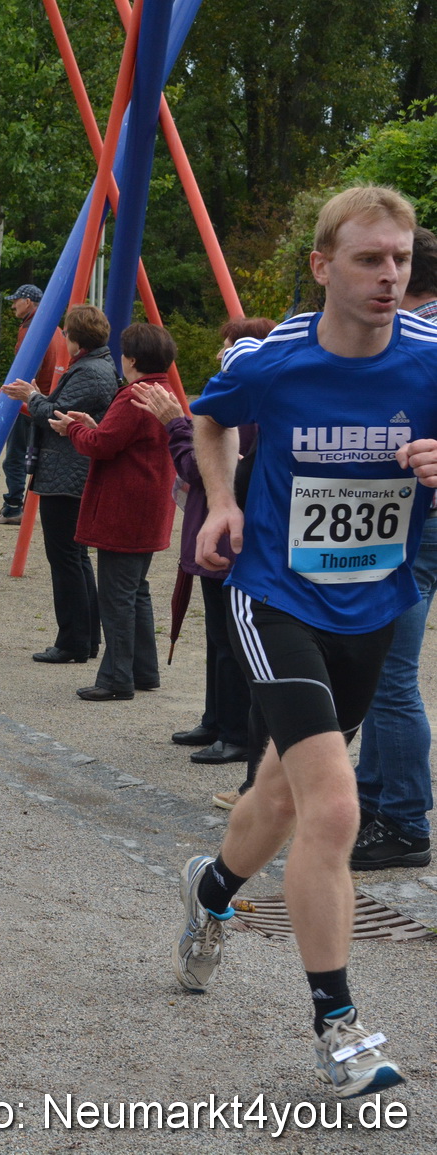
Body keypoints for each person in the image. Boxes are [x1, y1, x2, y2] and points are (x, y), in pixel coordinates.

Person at [177, 185, 437, 1097]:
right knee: (333, 807)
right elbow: (205, 418)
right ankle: (338, 1024)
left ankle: (211, 889)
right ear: (325, 266)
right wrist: (221, 502)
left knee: (282, 794)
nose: (390, 276)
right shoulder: (272, 360)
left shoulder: (432, 359)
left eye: (401, 259)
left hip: (376, 602)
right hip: (276, 595)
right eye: (370, 259)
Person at [134, 318, 276, 782]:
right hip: (213, 538)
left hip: (230, 542)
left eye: (229, 347)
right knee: (218, 637)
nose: (220, 356)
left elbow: (200, 468)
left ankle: (235, 732)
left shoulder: (247, 410)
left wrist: (176, 423)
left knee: (234, 643)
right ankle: (217, 719)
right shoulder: (241, 403)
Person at [345, 225, 437, 868]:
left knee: (392, 676)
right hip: (406, 521)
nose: (385, 277)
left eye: (394, 263)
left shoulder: (419, 340)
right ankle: (376, 801)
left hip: (419, 524)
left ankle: (405, 820)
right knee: (381, 671)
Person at [48, 322, 180, 700]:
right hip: (151, 505)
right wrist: (93, 425)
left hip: (124, 506)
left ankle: (116, 677)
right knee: (136, 591)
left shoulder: (133, 394)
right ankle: (143, 670)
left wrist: (73, 431)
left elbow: (103, 446)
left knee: (117, 595)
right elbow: (117, 437)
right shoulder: (163, 391)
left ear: (132, 358)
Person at [1, 304, 116, 664]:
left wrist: (32, 398)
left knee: (66, 559)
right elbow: (60, 406)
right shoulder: (96, 366)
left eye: (66, 332)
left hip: (68, 474)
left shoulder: (91, 371)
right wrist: (38, 395)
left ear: (76, 338)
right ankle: (85, 638)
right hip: (71, 472)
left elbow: (57, 415)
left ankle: (72, 641)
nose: (63, 337)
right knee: (75, 558)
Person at [0, 285, 66, 525]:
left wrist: (20, 393)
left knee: (15, 456)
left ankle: (12, 507)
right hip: (51, 400)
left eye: (16, 300)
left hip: (29, 401)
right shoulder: (56, 328)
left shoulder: (31, 329)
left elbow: (28, 366)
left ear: (29, 302)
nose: (13, 304)